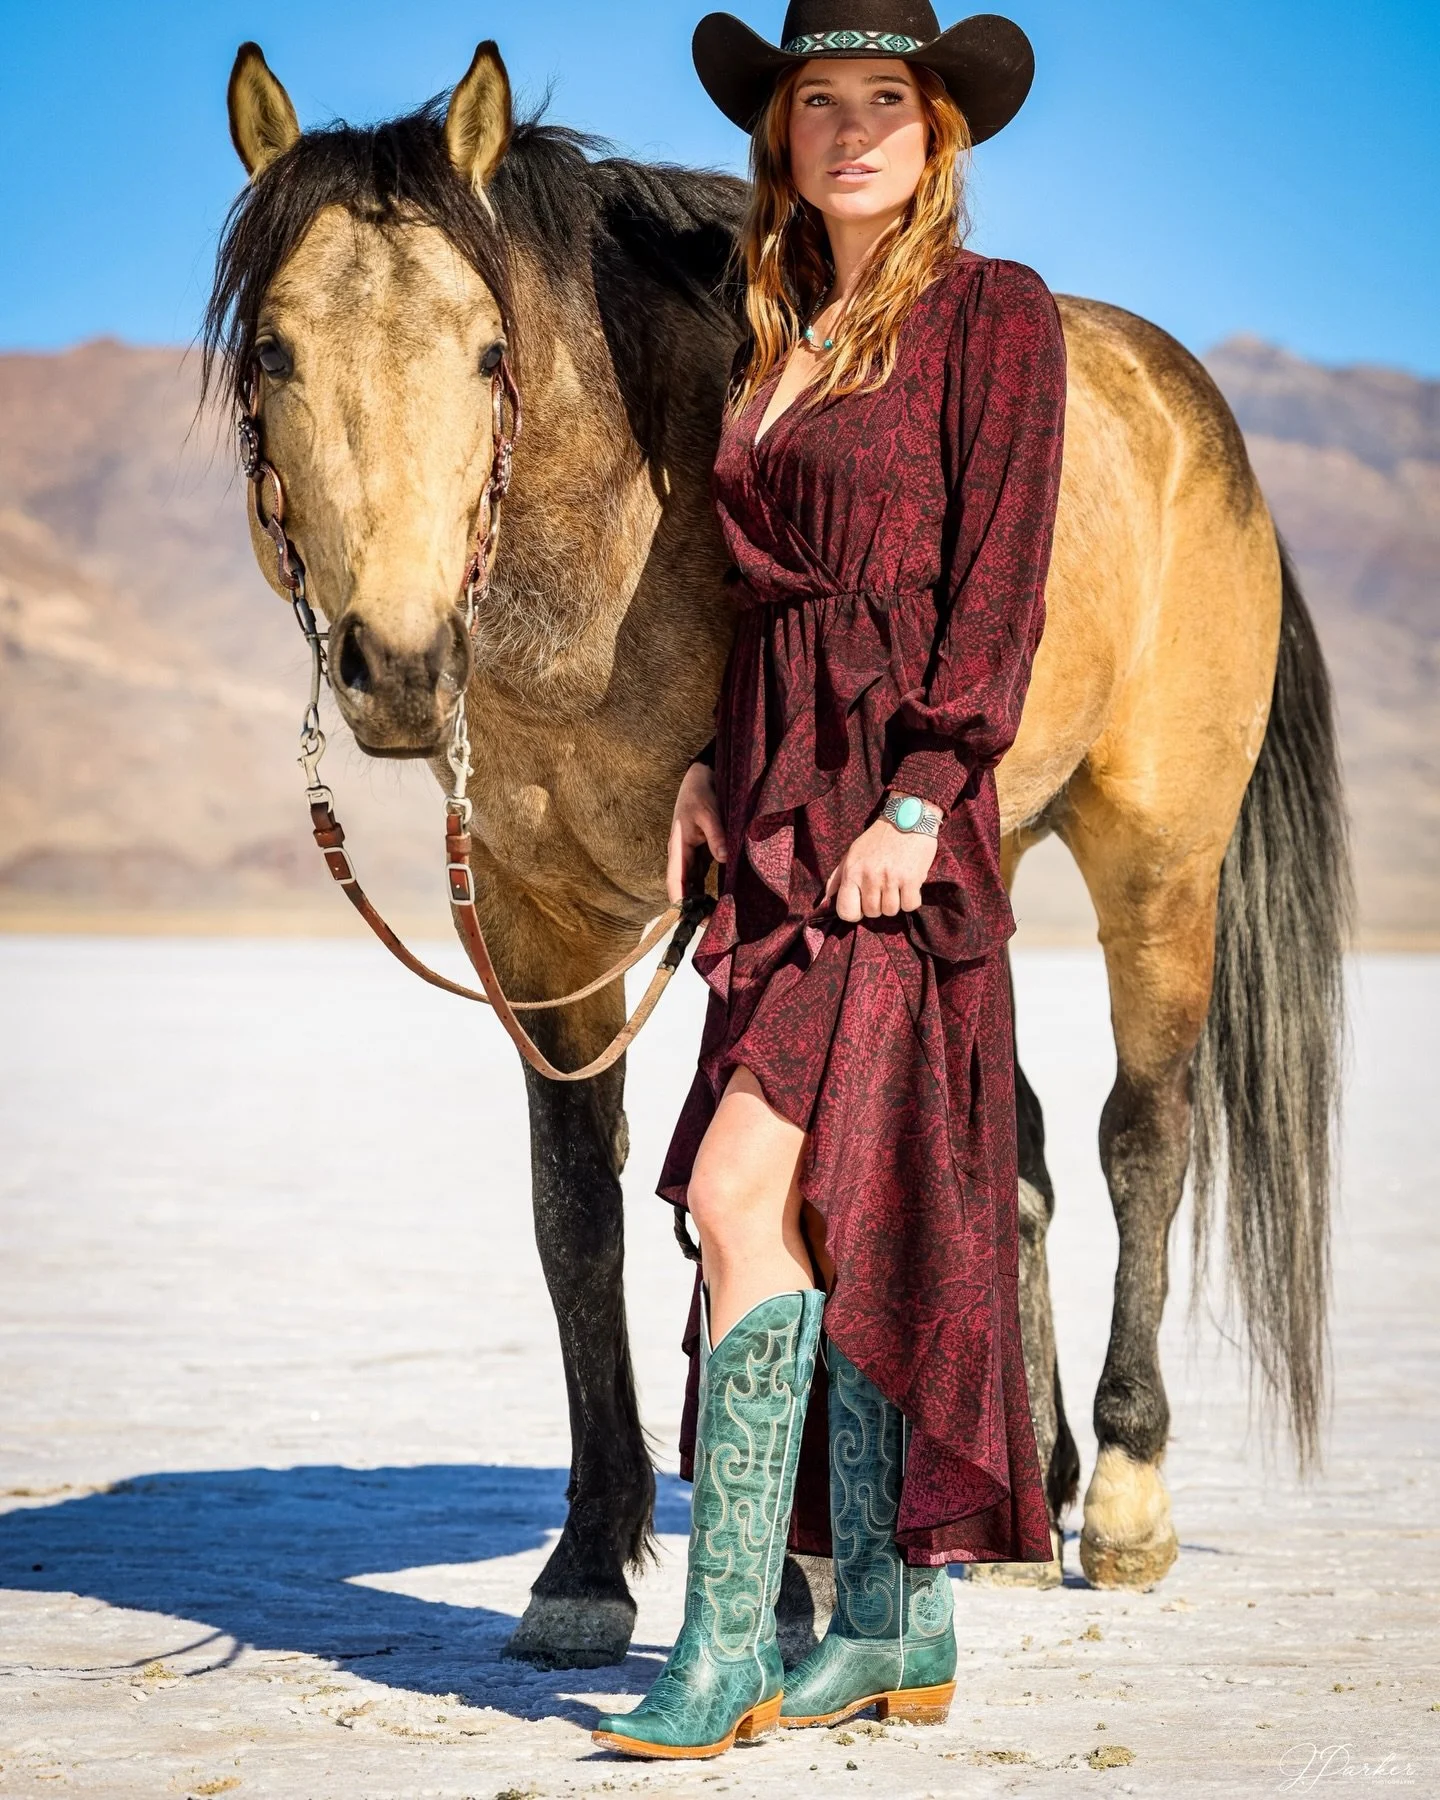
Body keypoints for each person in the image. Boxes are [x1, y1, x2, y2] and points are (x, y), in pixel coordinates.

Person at [593, 1, 1067, 1762]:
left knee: (735, 1196)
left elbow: (997, 578)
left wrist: (929, 800)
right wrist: (721, 762)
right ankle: (887, 1619)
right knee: (823, 1214)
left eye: (889, 97)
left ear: (938, 130)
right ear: (779, 133)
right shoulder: (770, 333)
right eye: (821, 100)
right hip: (779, 797)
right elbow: (764, 593)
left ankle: (723, 1655)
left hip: (889, 821)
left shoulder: (991, 318)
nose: (854, 127)